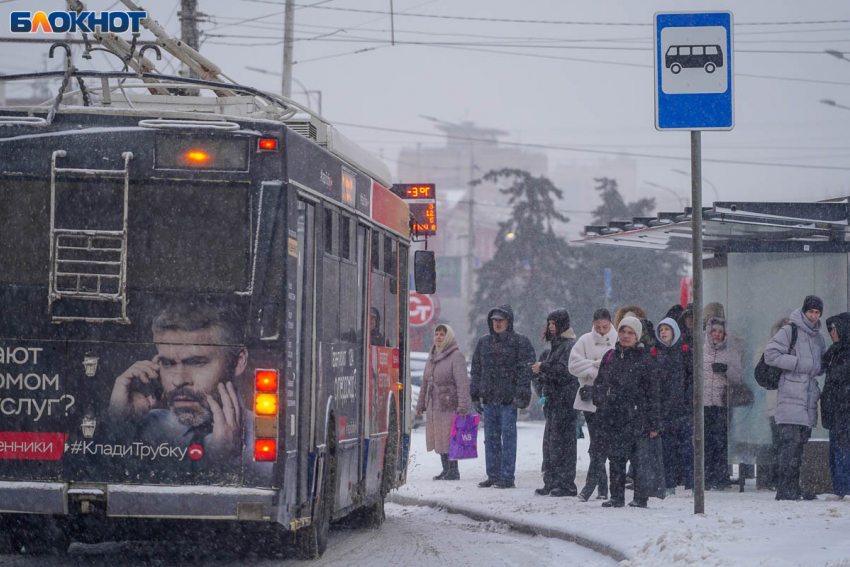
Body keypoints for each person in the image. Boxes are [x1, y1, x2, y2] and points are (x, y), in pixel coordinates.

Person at [109, 300, 247, 460]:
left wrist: (229, 463)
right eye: (168, 363)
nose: (179, 380)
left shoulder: (264, 449)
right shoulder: (142, 428)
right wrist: (117, 423)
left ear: (238, 362)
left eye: (196, 362)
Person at [591, 316, 661, 508]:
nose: (626, 336)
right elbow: (600, 383)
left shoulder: (645, 360)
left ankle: (640, 497)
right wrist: (599, 398)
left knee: (639, 460)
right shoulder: (610, 357)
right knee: (615, 458)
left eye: (631, 333)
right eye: (623, 331)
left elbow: (653, 394)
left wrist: (653, 423)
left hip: (637, 418)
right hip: (614, 417)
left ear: (637, 336)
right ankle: (616, 496)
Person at [765, 295, 826, 501]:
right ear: (804, 311)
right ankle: (785, 489)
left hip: (808, 398)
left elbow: (818, 365)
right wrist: (798, 363)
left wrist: (816, 368)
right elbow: (771, 354)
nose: (813, 316)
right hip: (791, 395)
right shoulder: (790, 331)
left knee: (799, 447)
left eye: (817, 312)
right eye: (810, 311)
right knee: (789, 446)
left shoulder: (818, 337)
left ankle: (794, 487)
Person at [470, 304, 536, 489]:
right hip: (489, 399)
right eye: (494, 320)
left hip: (508, 401)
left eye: (501, 320)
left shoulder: (520, 342)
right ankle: (493, 475)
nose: (497, 323)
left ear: (509, 322)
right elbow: (476, 370)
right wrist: (475, 395)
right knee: (490, 439)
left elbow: (526, 371)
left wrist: (520, 395)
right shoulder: (484, 343)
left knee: (508, 439)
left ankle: (507, 477)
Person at [569, 308, 616, 502]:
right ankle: (601, 487)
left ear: (611, 323)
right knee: (596, 443)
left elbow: (617, 370)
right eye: (598, 327)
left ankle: (595, 487)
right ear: (593, 324)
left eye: (605, 327)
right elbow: (573, 366)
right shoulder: (584, 340)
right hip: (590, 399)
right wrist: (595, 366)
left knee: (600, 444)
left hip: (611, 401)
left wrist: (594, 368)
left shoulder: (618, 339)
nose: (602, 331)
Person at [532, 309, 579, 497]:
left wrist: (543, 367)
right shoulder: (556, 345)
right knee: (550, 443)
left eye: (554, 323)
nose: (551, 327)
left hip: (565, 402)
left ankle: (566, 483)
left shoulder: (569, 345)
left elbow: (566, 371)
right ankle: (551, 481)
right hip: (554, 401)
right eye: (549, 323)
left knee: (563, 444)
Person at [416, 324, 471, 481]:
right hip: (434, 404)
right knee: (438, 436)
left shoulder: (456, 356)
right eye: (437, 334)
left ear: (449, 337)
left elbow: (462, 383)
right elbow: (425, 382)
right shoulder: (432, 355)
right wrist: (421, 404)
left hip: (449, 404)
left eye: (442, 334)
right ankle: (445, 468)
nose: (439, 337)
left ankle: (453, 470)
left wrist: (463, 405)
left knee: (449, 437)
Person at [702, 316, 744, 490]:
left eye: (720, 331)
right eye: (713, 331)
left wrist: (726, 370)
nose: (716, 334)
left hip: (723, 404)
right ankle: (706, 476)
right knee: (706, 441)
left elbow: (739, 376)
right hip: (704, 403)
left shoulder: (730, 351)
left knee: (721, 441)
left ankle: (720, 476)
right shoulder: (702, 350)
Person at [654, 317, 693, 495]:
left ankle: (692, 483)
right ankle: (669, 484)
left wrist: (688, 399)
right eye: (661, 329)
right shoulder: (655, 353)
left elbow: (692, 378)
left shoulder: (685, 352)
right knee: (667, 450)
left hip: (682, 409)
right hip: (663, 410)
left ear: (674, 331)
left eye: (666, 329)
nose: (663, 332)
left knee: (687, 449)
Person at [821, 313, 850, 500]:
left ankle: (846, 488)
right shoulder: (834, 352)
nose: (831, 332)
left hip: (844, 411)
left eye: (834, 329)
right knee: (836, 450)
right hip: (835, 411)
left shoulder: (843, 353)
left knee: (843, 449)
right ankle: (840, 489)